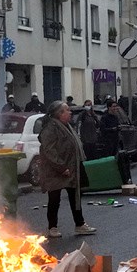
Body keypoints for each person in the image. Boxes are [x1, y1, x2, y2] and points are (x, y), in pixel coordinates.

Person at [37, 101, 96, 238]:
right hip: (55, 170)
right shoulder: (50, 128)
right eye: (67, 110)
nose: (70, 113)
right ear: (59, 114)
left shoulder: (67, 126)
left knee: (75, 197)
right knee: (54, 199)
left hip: (71, 167)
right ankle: (52, 227)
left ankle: (80, 224)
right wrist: (61, 167)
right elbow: (49, 150)